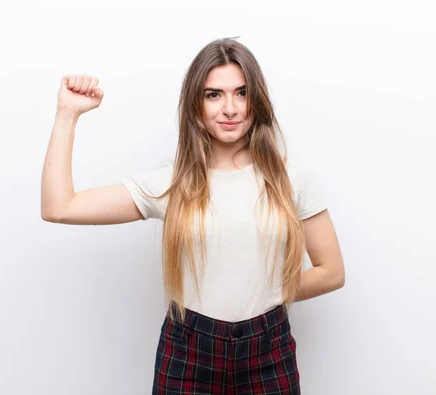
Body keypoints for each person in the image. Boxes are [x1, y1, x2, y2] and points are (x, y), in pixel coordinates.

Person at [41, 37, 345, 394]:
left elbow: (332, 272)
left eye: (242, 93)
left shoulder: (292, 177)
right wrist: (67, 113)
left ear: (256, 100)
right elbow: (59, 207)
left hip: (268, 349)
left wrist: (267, 290)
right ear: (196, 106)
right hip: (189, 350)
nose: (230, 108)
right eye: (214, 94)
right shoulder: (172, 183)